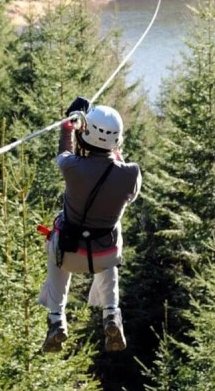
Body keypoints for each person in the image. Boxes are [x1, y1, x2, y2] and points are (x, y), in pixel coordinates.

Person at [38, 96, 142, 353]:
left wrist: (68, 126)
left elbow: (64, 152)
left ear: (86, 133)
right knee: (111, 234)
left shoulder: (72, 167)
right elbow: (121, 173)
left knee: (55, 248)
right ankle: (111, 313)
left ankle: (56, 319)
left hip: (68, 253)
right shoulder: (131, 174)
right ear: (117, 140)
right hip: (104, 256)